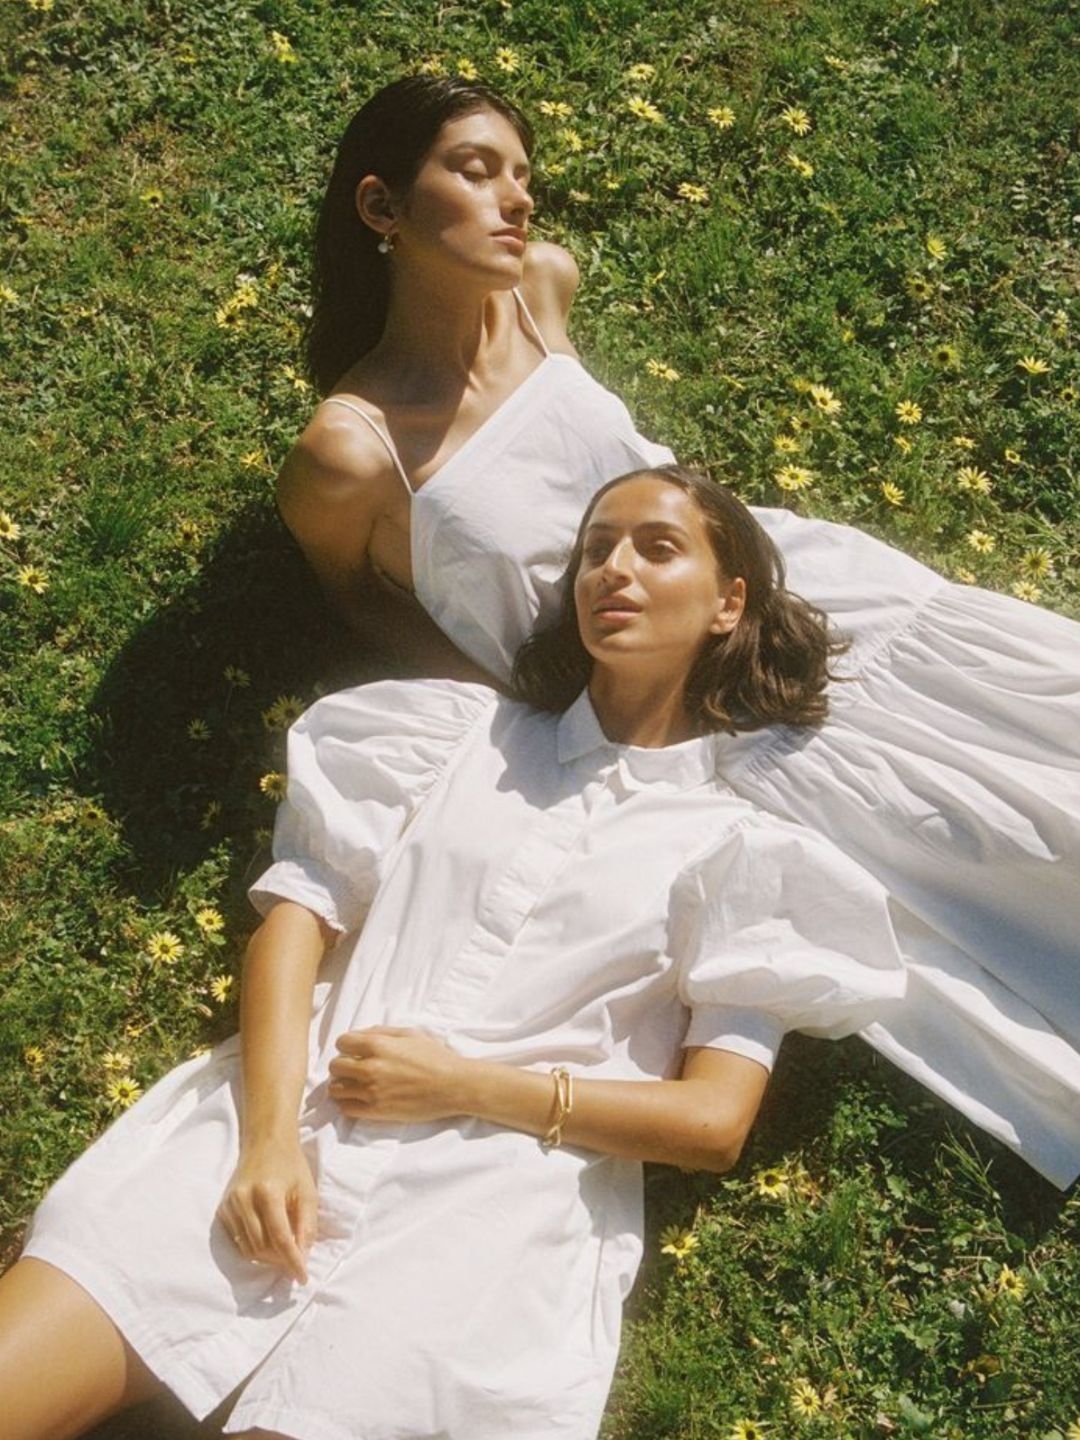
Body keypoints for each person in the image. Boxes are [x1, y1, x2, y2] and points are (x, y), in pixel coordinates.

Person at [277, 75, 1080, 1188]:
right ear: (381, 208)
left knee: (1041, 737)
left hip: (777, 589)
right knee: (957, 847)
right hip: (674, 703)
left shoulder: (539, 290)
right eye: (475, 171)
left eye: (522, 174)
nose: (516, 200)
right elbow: (358, 596)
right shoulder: (353, 451)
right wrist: (514, 701)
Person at [1, 469, 912, 1440]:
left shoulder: (743, 854)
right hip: (275, 1128)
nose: (614, 568)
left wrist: (466, 1086)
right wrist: (268, 1138)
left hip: (481, 1237)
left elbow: (712, 1121)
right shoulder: (449, 736)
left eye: (656, 546)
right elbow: (295, 925)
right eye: (597, 546)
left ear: (729, 602)